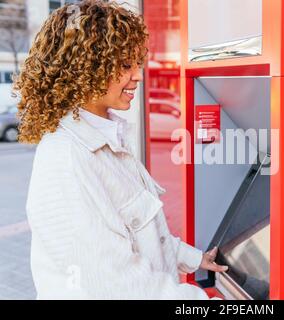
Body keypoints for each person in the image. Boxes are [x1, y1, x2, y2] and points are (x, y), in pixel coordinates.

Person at [14, 0, 226, 299]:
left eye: (137, 62)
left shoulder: (105, 139)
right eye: (126, 65)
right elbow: (116, 286)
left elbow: (140, 234)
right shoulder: (69, 159)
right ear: (86, 67)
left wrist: (194, 258)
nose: (138, 75)